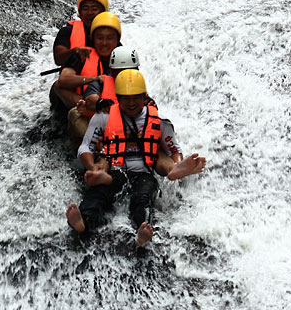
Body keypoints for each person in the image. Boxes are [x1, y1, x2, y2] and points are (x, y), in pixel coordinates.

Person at [65, 69, 206, 246]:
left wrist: (178, 162)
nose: (131, 103)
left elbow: (173, 149)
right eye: (125, 98)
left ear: (144, 96)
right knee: (99, 193)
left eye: (136, 98)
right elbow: (86, 146)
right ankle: (82, 222)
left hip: (144, 173)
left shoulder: (160, 120)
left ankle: (142, 231)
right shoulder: (104, 117)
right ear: (118, 97)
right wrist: (91, 165)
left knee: (142, 198)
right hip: (116, 171)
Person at [53, 11, 122, 143]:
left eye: (109, 38)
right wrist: (95, 79)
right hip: (87, 107)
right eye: (100, 38)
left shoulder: (124, 57)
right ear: (93, 39)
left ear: (117, 40)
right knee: (71, 108)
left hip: (115, 112)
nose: (104, 43)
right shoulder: (83, 55)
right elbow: (62, 81)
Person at [52, 0, 108, 67]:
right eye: (85, 9)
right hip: (72, 78)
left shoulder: (111, 33)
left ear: (103, 12)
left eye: (94, 9)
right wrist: (74, 51)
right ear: (79, 13)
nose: (89, 13)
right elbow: (59, 59)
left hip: (103, 78)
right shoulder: (67, 31)